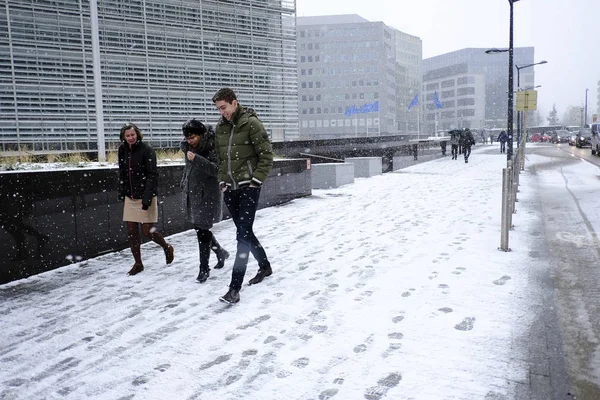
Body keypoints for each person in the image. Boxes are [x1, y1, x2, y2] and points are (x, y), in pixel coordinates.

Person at [212, 88, 274, 304]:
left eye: (224, 107)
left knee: (242, 236)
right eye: (219, 109)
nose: (222, 113)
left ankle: (234, 288)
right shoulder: (221, 127)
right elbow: (220, 160)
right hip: (230, 189)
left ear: (234, 103)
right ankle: (265, 266)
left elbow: (266, 156)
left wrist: (255, 182)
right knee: (244, 231)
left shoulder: (251, 124)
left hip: (249, 187)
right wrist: (222, 182)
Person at [118, 123, 174, 275]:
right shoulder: (122, 150)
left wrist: (147, 197)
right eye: (127, 135)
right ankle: (138, 263)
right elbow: (122, 171)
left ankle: (166, 247)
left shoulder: (147, 150)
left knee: (147, 231)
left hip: (145, 195)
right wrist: (122, 191)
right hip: (130, 196)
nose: (130, 138)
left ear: (137, 135)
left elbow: (152, 174)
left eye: (133, 135)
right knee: (131, 231)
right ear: (123, 137)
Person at [180, 119, 230, 283]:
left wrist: (198, 159)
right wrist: (184, 182)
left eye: (193, 137)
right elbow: (188, 168)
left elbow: (217, 170)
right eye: (187, 138)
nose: (190, 141)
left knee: (202, 232)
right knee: (200, 229)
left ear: (201, 135)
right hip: (192, 194)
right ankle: (220, 252)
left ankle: (204, 268)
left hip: (207, 196)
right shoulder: (188, 148)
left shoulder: (212, 147)